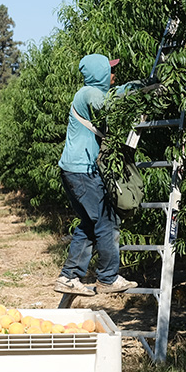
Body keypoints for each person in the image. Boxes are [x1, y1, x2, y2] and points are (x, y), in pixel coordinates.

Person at [54, 54, 138, 297]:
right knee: (107, 222)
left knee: (90, 224)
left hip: (75, 170)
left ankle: (69, 277)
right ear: (98, 73)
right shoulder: (89, 94)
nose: (113, 75)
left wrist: (137, 87)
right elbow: (111, 105)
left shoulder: (91, 94)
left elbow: (114, 95)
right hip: (83, 172)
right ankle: (108, 279)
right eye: (109, 71)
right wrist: (135, 99)